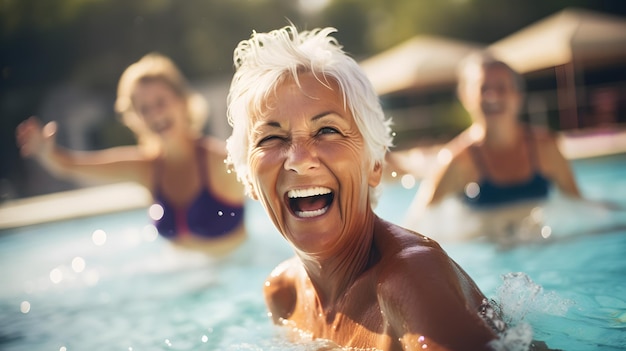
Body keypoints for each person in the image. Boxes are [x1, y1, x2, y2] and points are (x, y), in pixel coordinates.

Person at [224, 25, 551, 351]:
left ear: (375, 165)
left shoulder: (410, 281)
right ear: (250, 181)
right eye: (271, 138)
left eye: (326, 130)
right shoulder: (283, 294)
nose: (298, 159)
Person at [16, 53, 246, 255]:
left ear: (183, 102)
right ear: (135, 119)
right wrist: (46, 153)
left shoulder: (221, 162)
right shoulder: (146, 169)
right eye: (144, 109)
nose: (155, 114)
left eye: (160, 102)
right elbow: (71, 165)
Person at [394, 52, 582, 244]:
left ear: (517, 95)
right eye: (483, 89)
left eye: (501, 87)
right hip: (487, 251)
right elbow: (414, 225)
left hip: (541, 245)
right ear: (466, 97)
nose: (492, 96)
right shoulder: (457, 160)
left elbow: (580, 205)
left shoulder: (545, 147)